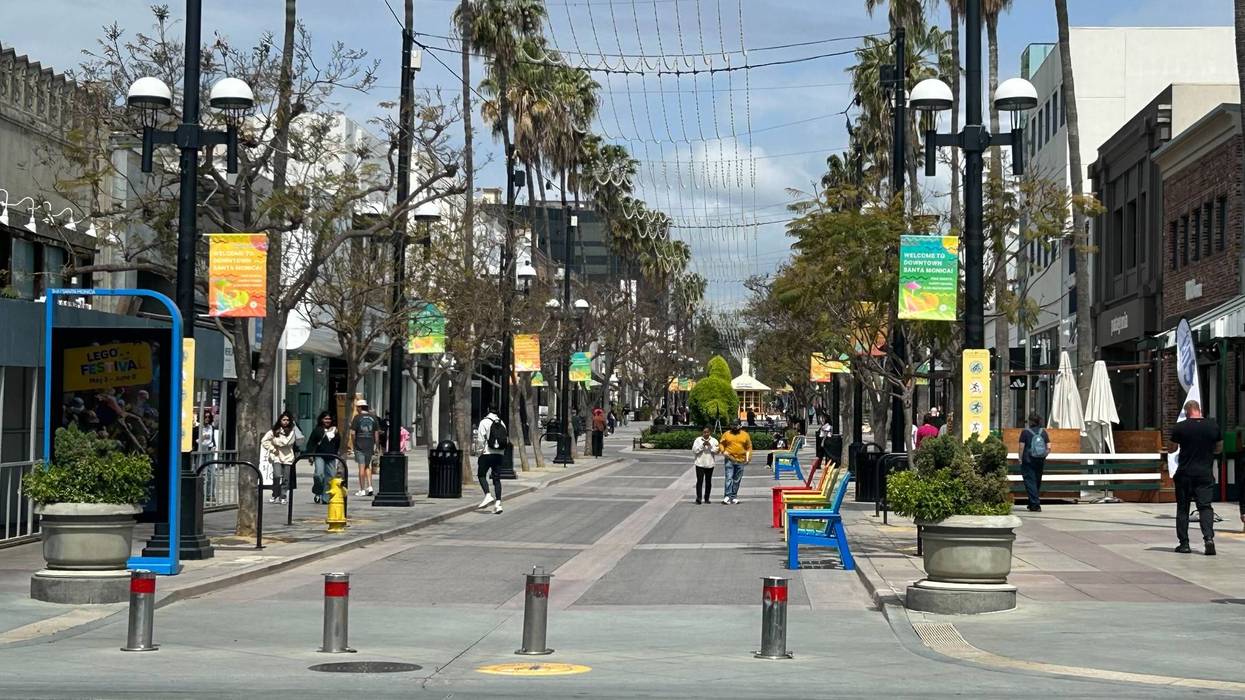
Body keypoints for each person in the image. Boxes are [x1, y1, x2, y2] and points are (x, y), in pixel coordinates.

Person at [1170, 400, 1221, 555]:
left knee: (1183, 509)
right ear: (1200, 410)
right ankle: (1208, 538)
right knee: (1205, 507)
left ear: (1186, 412)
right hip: (1204, 473)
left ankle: (1184, 544)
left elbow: (1171, 448)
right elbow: (1219, 448)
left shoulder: (1181, 427)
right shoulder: (1212, 426)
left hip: (1185, 473)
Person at [261, 411, 298, 505]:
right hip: (276, 456)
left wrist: (274, 440)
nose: (286, 422)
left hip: (288, 457)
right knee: (277, 476)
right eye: (284, 420)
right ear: (280, 420)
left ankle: (283, 496)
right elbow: (264, 441)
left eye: (287, 420)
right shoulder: (273, 431)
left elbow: (286, 442)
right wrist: (272, 449)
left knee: (286, 478)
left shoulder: (292, 431)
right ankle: (275, 494)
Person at [475, 407, 507, 515]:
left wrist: (479, 452)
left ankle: (488, 495)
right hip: (499, 454)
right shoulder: (502, 422)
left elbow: (480, 440)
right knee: (496, 478)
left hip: (487, 453)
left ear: (488, 410)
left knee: (481, 474)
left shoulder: (484, 422)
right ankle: (498, 504)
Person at [307, 412, 342, 504]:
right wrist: (310, 455)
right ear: (321, 420)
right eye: (325, 419)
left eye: (329, 419)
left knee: (331, 476)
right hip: (319, 455)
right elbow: (311, 443)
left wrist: (338, 455)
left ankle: (326, 498)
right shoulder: (318, 430)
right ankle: (317, 491)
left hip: (331, 456)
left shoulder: (335, 430)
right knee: (319, 475)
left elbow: (338, 444)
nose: (327, 421)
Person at [1018, 413, 1050, 512]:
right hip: (1040, 460)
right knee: (1036, 481)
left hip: (1028, 460)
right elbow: (1049, 447)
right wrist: (1043, 455)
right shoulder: (1043, 432)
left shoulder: (1025, 432)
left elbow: (1021, 447)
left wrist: (1020, 458)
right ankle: (1032, 503)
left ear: (1031, 421)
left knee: (1029, 481)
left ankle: (1036, 505)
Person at [349, 399, 381, 497]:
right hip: (370, 445)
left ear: (359, 407)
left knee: (361, 467)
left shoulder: (357, 418)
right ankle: (370, 486)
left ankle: (362, 489)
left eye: (357, 407)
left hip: (360, 445)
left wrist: (354, 444)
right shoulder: (373, 418)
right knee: (368, 466)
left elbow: (353, 433)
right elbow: (376, 433)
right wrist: (377, 446)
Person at [718, 421, 753, 505]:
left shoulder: (745, 435)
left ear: (740, 426)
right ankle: (727, 496)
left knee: (737, 479)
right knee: (729, 477)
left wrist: (748, 458)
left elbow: (749, 447)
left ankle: (733, 497)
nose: (734, 427)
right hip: (729, 458)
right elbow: (721, 444)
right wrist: (723, 451)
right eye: (732, 425)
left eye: (736, 425)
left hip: (741, 460)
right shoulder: (726, 434)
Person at [692, 426, 719, 504]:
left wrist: (710, 446)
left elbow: (716, 451)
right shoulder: (698, 440)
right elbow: (694, 451)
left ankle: (707, 498)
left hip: (710, 464)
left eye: (707, 432)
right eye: (704, 432)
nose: (706, 434)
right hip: (699, 463)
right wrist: (702, 445)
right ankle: (699, 498)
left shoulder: (714, 440)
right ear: (702, 432)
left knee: (708, 481)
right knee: (699, 481)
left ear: (710, 432)